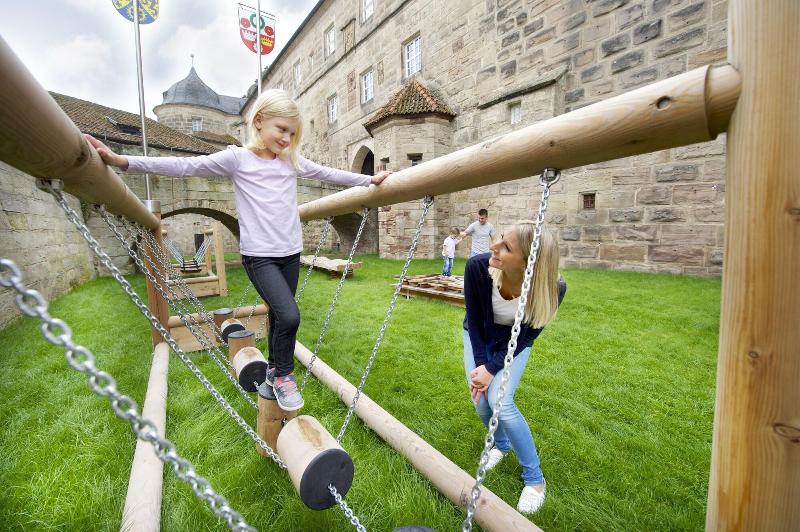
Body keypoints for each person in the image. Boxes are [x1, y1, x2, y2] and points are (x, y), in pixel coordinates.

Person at [86, 89, 390, 412]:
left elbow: (327, 173)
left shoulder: (290, 161)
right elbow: (186, 166)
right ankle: (284, 374)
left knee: (278, 315)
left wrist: (368, 180)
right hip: (259, 257)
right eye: (281, 129)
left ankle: (274, 370)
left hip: (289, 253)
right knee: (290, 315)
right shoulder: (238, 158)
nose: (286, 138)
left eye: (292, 133)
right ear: (258, 122)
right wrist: (124, 161)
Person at [462, 221, 566, 514]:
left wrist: (493, 369)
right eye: (500, 239)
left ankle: (535, 480)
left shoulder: (553, 288)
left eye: (506, 247)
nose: (493, 246)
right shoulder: (478, 267)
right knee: (481, 401)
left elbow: (527, 335)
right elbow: (474, 322)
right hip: (480, 336)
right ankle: (501, 444)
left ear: (528, 263)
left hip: (515, 341)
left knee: (501, 402)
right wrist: (483, 368)